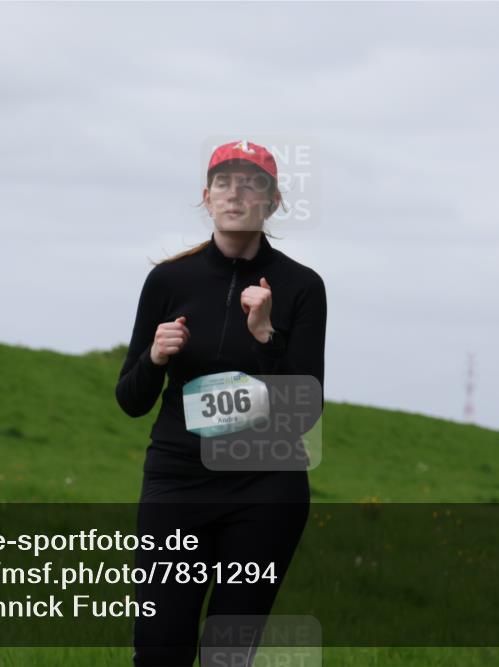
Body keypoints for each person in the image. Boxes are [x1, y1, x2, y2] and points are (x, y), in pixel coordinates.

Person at [115, 140, 327, 666]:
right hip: (178, 482)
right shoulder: (168, 281)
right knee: (159, 648)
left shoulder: (302, 287)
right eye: (224, 183)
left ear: (273, 202)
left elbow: (305, 409)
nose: (236, 193)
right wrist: (156, 360)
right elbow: (131, 399)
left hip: (266, 488)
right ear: (206, 198)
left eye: (252, 183)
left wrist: (265, 337)